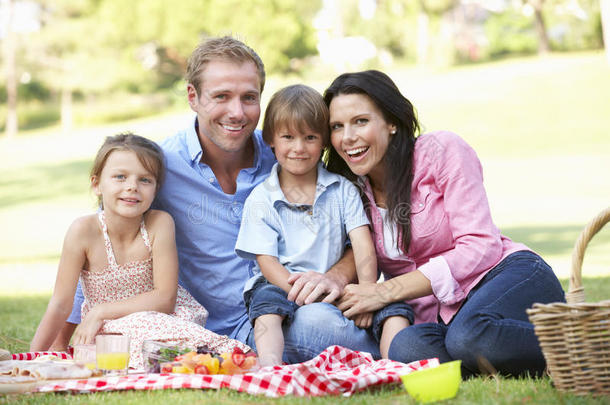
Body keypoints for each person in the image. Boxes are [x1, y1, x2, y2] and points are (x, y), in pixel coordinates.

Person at [58, 36, 380, 362]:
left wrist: (335, 276)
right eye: (221, 96)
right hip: (202, 334)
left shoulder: (288, 155)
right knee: (317, 324)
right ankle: (401, 352)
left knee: (317, 320)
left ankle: (404, 346)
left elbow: (353, 233)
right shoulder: (158, 169)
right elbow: (104, 246)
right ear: (192, 97)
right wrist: (57, 344)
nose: (237, 112)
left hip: (284, 313)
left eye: (249, 97)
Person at [323, 70, 566, 377]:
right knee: (407, 349)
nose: (347, 137)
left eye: (360, 121)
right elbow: (352, 254)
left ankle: (584, 344)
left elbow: (481, 245)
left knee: (470, 336)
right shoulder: (349, 192)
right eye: (336, 126)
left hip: (505, 276)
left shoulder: (439, 151)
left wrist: (386, 291)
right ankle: (507, 360)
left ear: (392, 122)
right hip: (446, 318)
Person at [30, 133, 248, 369]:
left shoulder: (159, 223)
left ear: (156, 189)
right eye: (120, 177)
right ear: (97, 184)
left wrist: (101, 311)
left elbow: (165, 298)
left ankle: (196, 360)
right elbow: (61, 303)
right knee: (131, 344)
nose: (132, 186)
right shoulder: (83, 231)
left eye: (145, 180)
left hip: (160, 319)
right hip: (109, 329)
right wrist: (32, 358)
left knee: (173, 344)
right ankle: (184, 361)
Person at [234, 85, 412, 366]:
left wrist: (367, 291)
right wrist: (298, 294)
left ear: (325, 141)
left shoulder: (343, 190)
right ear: (271, 139)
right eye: (288, 137)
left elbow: (362, 242)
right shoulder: (262, 198)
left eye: (310, 137)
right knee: (266, 305)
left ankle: (393, 366)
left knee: (394, 308)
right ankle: (270, 364)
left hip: (337, 287)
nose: (299, 148)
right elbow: (266, 261)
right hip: (284, 284)